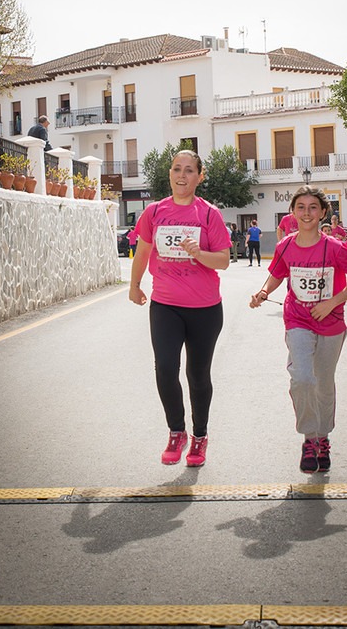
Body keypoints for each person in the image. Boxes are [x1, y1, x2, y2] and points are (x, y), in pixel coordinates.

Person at [249, 184, 347, 473]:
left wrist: (331, 303)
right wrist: (263, 292)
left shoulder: (335, 248)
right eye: (300, 207)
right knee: (302, 379)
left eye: (313, 207)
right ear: (292, 212)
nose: (306, 212)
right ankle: (309, 437)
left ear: (323, 212)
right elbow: (276, 276)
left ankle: (323, 438)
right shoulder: (285, 246)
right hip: (297, 320)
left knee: (323, 385)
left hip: (331, 324)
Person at [129, 150, 231, 467]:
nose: (181, 175)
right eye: (176, 169)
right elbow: (143, 251)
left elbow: (224, 261)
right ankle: (177, 432)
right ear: (170, 174)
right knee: (165, 369)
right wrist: (134, 286)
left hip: (205, 308)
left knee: (198, 376)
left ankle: (200, 436)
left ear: (199, 177)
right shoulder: (155, 211)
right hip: (165, 305)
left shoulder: (209, 214)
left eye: (189, 170)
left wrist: (199, 253)